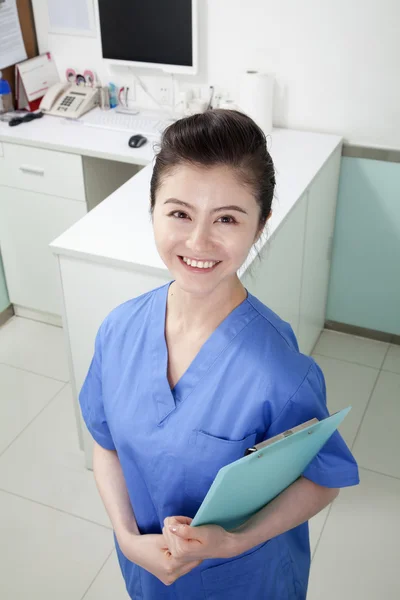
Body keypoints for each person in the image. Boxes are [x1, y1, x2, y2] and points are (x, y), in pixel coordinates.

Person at [79, 109, 359, 599]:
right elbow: (105, 444)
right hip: (149, 574)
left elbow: (322, 479)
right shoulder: (119, 330)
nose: (198, 241)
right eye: (180, 213)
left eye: (226, 218)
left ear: (260, 225)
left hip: (242, 581)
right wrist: (127, 539)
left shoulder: (280, 370)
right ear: (153, 210)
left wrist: (233, 542)